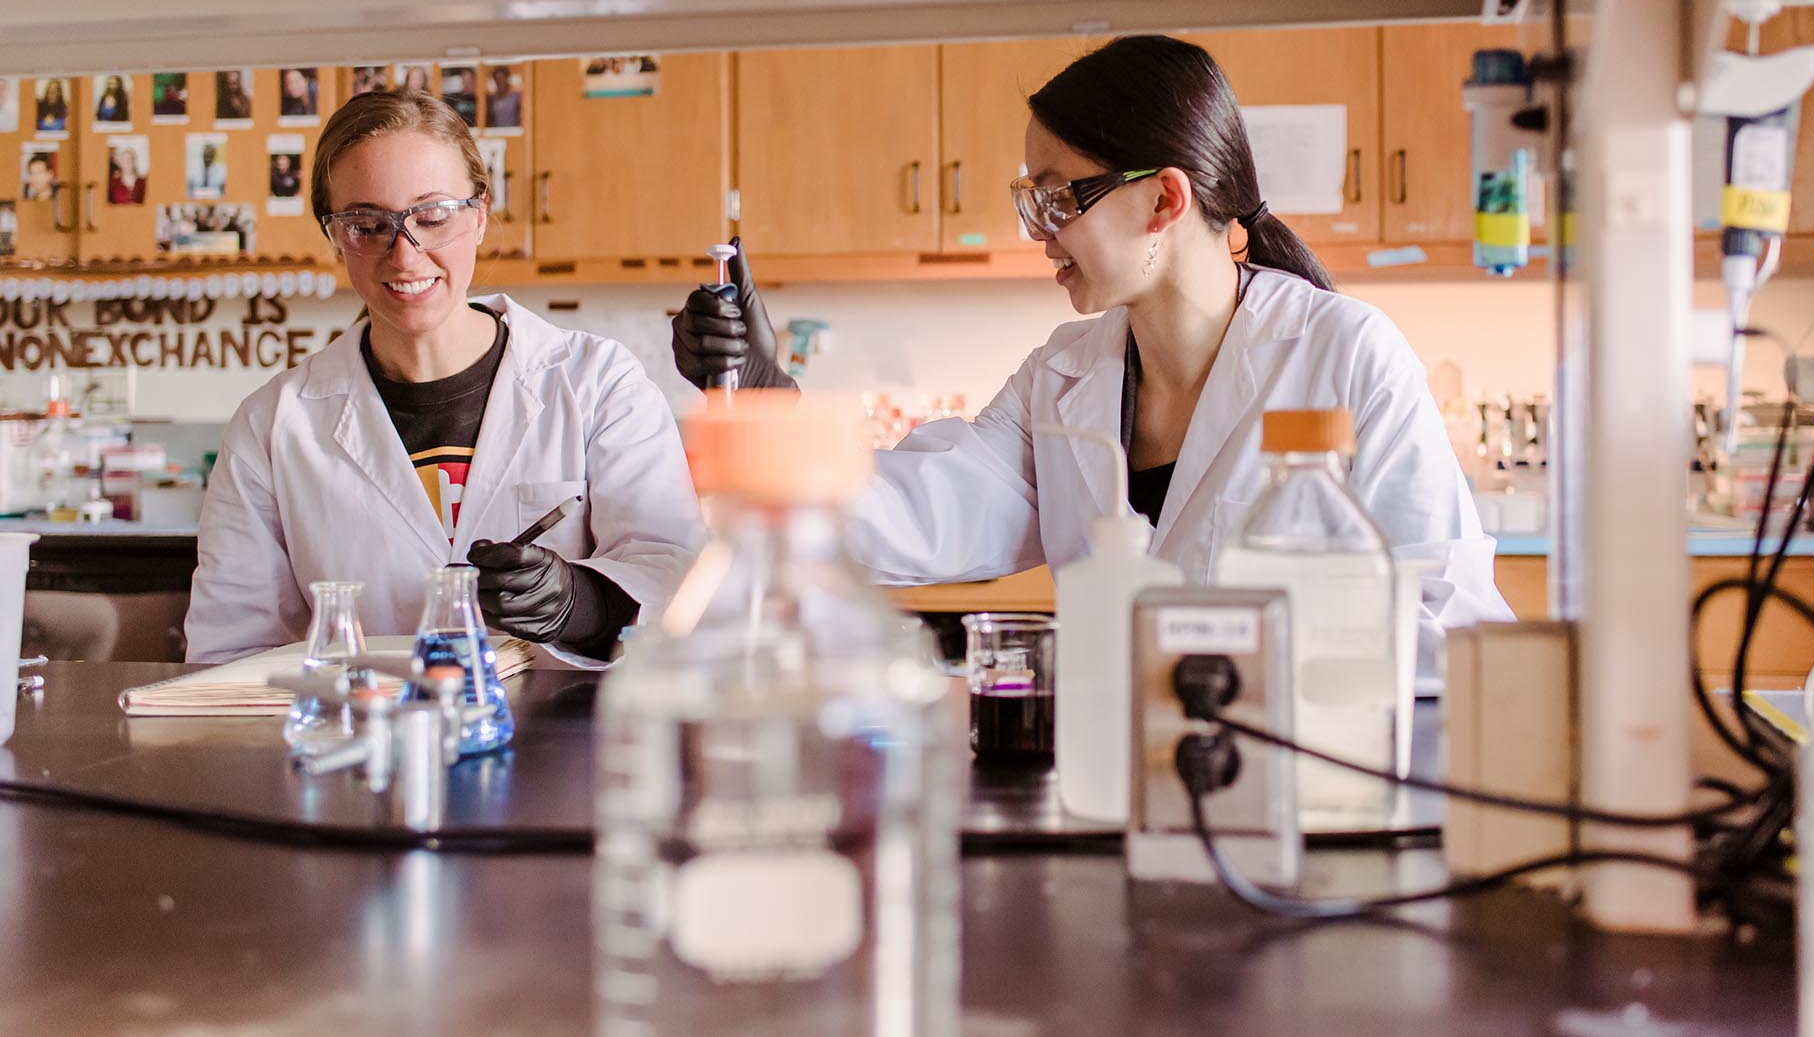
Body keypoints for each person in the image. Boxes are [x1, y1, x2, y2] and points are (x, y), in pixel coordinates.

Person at [674, 35, 1511, 681]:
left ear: (1163, 198)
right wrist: (767, 398)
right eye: (1029, 201)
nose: (1038, 231)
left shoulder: (1345, 354)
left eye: (1057, 197)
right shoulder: (1066, 373)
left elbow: (1451, 623)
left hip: (1305, 786)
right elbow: (925, 515)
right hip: (1116, 781)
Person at [186, 90, 703, 665]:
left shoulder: (597, 383)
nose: (404, 256)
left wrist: (579, 604)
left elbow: (672, 572)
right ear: (333, 234)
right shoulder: (273, 424)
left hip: (561, 743)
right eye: (366, 224)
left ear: (480, 214)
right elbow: (230, 648)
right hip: (363, 744)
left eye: (432, 217)